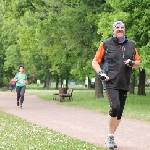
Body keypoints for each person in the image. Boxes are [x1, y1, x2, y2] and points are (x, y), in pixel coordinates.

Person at [92, 21, 140, 149]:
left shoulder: (131, 45)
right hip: (110, 81)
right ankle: (109, 137)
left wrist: (132, 63)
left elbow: (138, 63)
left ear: (125, 30)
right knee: (115, 106)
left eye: (122, 27)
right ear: (113, 30)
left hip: (124, 82)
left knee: (119, 112)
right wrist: (101, 73)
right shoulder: (105, 44)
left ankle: (111, 136)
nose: (120, 29)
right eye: (117, 28)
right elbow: (95, 62)